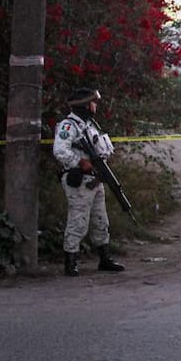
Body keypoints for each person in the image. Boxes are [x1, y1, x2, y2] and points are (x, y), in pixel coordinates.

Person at [51, 88, 125, 277]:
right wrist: (79, 162)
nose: (95, 106)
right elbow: (60, 151)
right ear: (85, 105)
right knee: (78, 220)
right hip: (79, 180)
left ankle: (104, 258)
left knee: (101, 220)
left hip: (95, 179)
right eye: (93, 103)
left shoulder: (90, 125)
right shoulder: (69, 126)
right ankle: (71, 261)